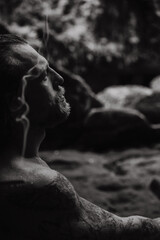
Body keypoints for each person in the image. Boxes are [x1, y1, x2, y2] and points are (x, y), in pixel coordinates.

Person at [0, 34, 160, 240]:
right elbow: (125, 233)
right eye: (43, 75)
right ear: (16, 102)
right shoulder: (37, 185)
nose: (60, 78)